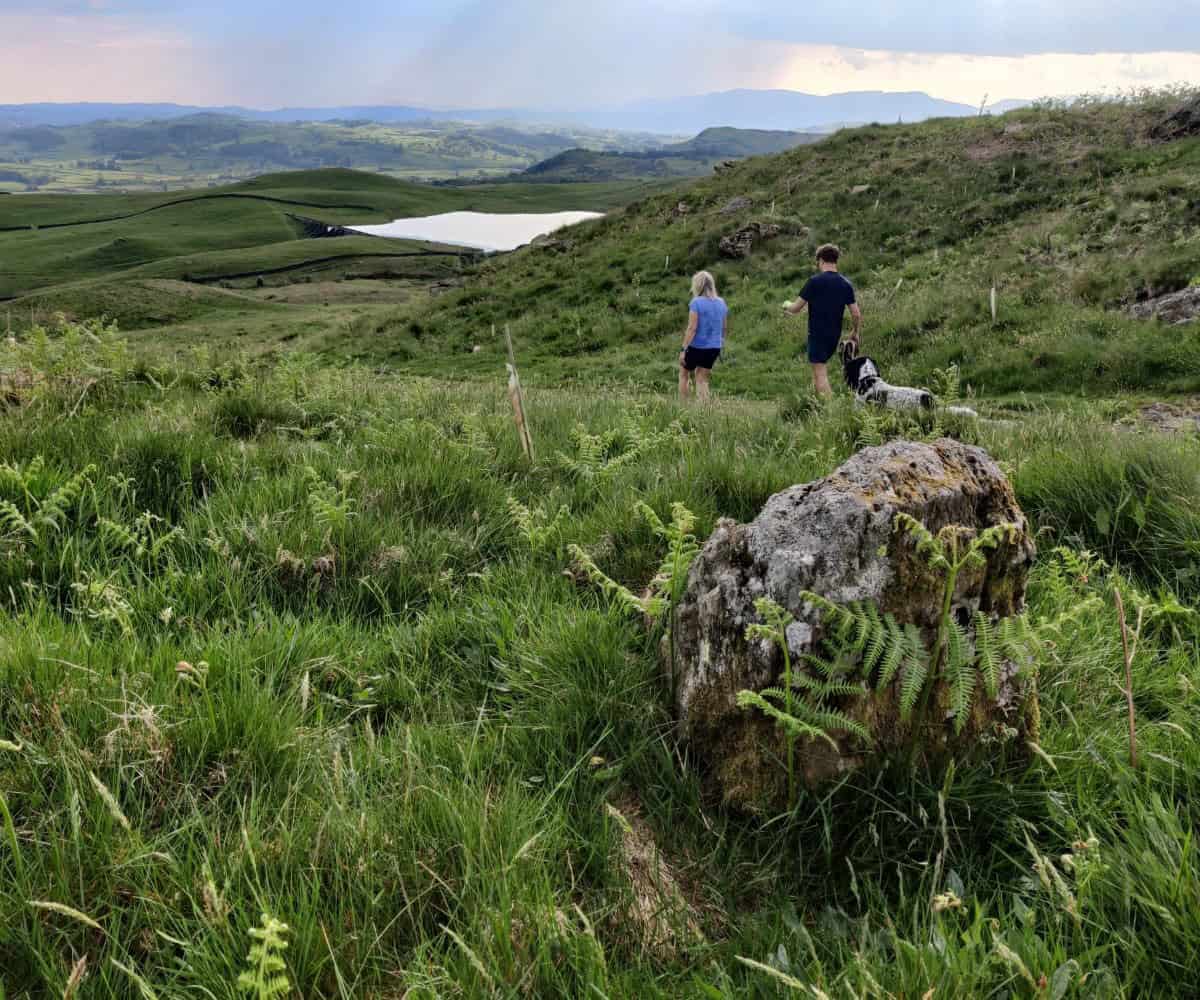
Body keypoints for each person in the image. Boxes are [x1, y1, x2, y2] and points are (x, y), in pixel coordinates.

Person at [783, 244, 862, 398]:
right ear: (835, 260)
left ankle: (830, 409)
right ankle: (818, 403)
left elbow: (796, 308)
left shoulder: (814, 281)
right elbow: (856, 314)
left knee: (820, 373)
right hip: (834, 335)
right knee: (818, 370)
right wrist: (855, 332)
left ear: (820, 260)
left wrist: (785, 305)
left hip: (817, 334)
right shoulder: (846, 283)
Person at [679, 270, 728, 403]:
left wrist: (683, 349)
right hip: (714, 347)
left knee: (684, 373)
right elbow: (723, 328)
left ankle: (684, 407)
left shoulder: (696, 303)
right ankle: (705, 410)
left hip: (696, 346)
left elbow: (692, 328)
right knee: (702, 378)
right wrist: (720, 344)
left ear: (697, 285)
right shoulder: (721, 302)